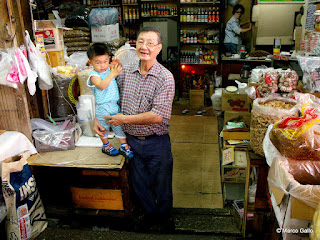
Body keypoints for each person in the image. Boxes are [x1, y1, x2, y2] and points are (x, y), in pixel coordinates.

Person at [93, 27, 175, 232]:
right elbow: (108, 96)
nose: (144, 47)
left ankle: (164, 220)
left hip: (156, 141)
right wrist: (96, 117)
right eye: (140, 42)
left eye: (150, 43)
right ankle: (149, 217)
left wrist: (124, 119)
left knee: (161, 183)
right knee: (139, 182)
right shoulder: (125, 71)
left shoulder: (165, 78)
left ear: (159, 48)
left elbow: (158, 115)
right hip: (130, 140)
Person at [87, 42, 134, 159]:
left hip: (114, 105)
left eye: (105, 61)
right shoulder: (93, 75)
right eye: (98, 63)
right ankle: (106, 145)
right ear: (90, 62)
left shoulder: (109, 70)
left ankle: (124, 145)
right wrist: (112, 73)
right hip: (103, 107)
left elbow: (119, 71)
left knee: (119, 126)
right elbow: (102, 85)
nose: (102, 65)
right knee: (103, 128)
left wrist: (117, 65)